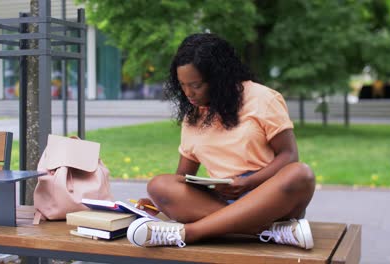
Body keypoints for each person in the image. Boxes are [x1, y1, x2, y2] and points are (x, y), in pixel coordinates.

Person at [126, 33, 316, 249]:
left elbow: (289, 155)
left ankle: (189, 233)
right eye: (182, 85)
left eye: (196, 85)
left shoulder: (263, 98)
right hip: (220, 199)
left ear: (219, 77)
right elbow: (182, 177)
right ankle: (270, 232)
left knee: (301, 174)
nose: (188, 93)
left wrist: (249, 182)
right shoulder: (193, 116)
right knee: (159, 185)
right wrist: (156, 203)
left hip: (269, 196)